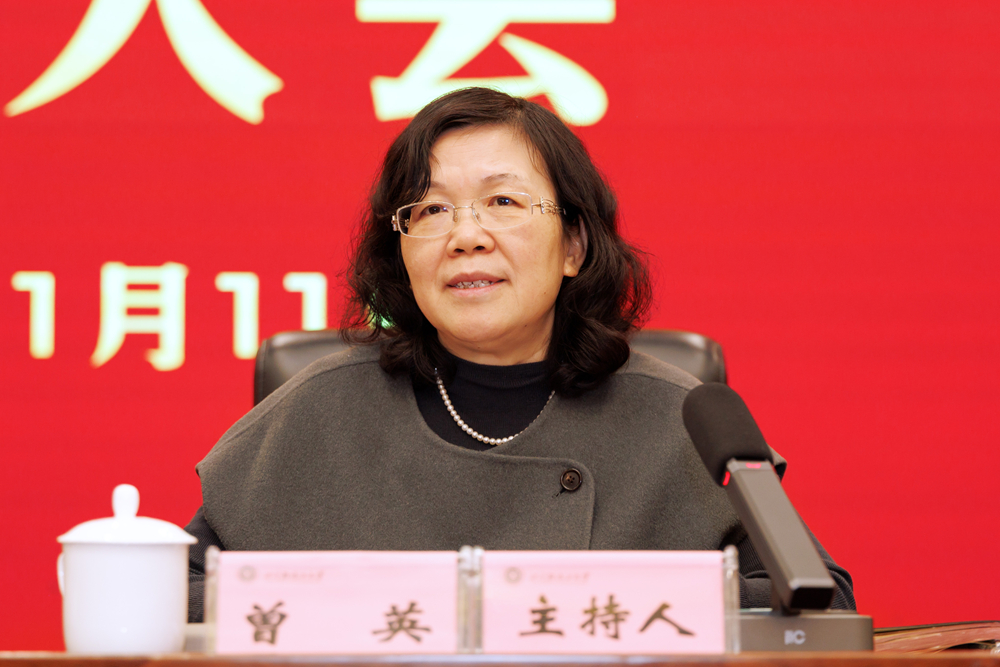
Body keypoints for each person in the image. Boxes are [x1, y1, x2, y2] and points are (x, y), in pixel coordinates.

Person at [185, 87, 855, 622]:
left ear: (574, 246)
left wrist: (600, 605)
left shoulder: (676, 418)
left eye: (502, 201)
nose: (466, 235)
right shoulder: (319, 407)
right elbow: (179, 593)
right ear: (402, 252)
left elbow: (818, 602)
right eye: (430, 210)